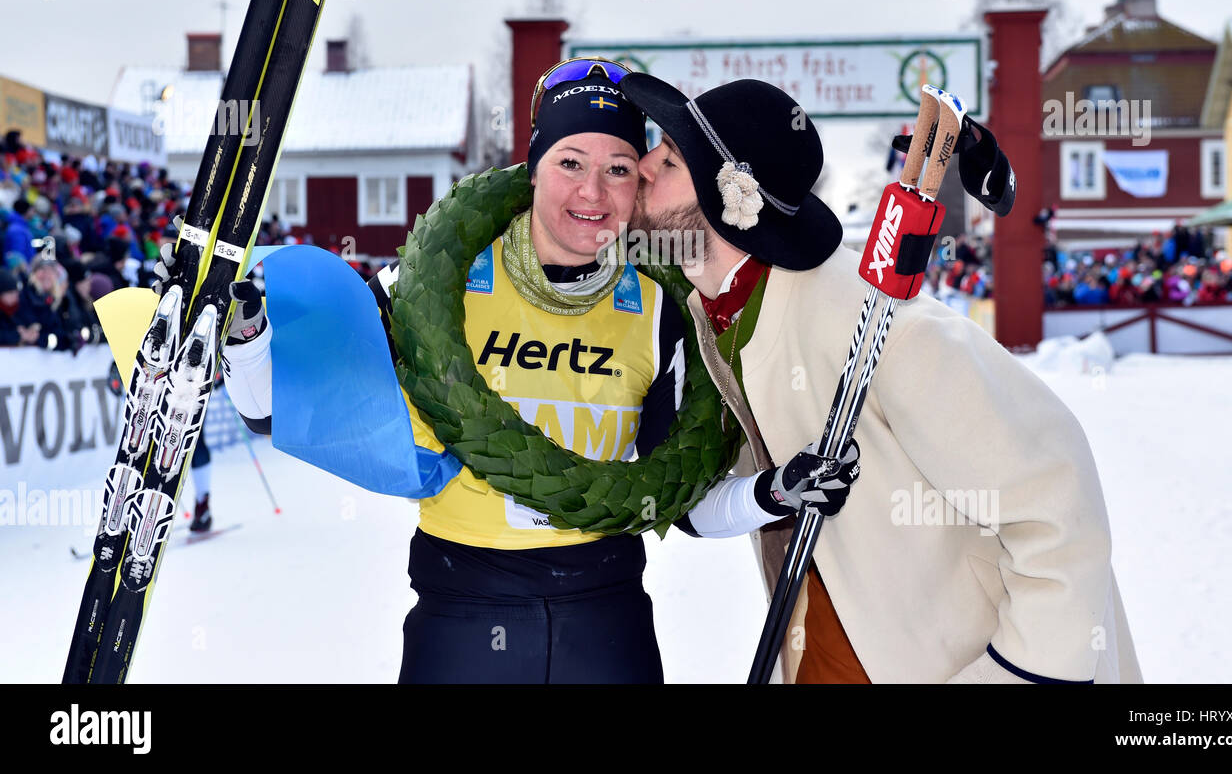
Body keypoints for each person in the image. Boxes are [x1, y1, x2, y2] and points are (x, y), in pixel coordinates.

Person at [204, 58, 845, 684]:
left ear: (637, 185)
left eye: (618, 169)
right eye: (570, 163)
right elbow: (273, 409)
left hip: (605, 625)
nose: (591, 193)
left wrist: (776, 493)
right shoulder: (430, 286)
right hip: (462, 619)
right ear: (533, 169)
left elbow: (686, 505)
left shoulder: (662, 309)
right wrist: (246, 330)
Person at [618, 72, 1143, 684]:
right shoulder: (722, 317)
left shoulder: (870, 320)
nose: (644, 167)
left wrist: (1019, 674)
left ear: (732, 195)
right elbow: (709, 503)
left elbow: (1056, 497)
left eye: (671, 158)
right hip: (822, 650)